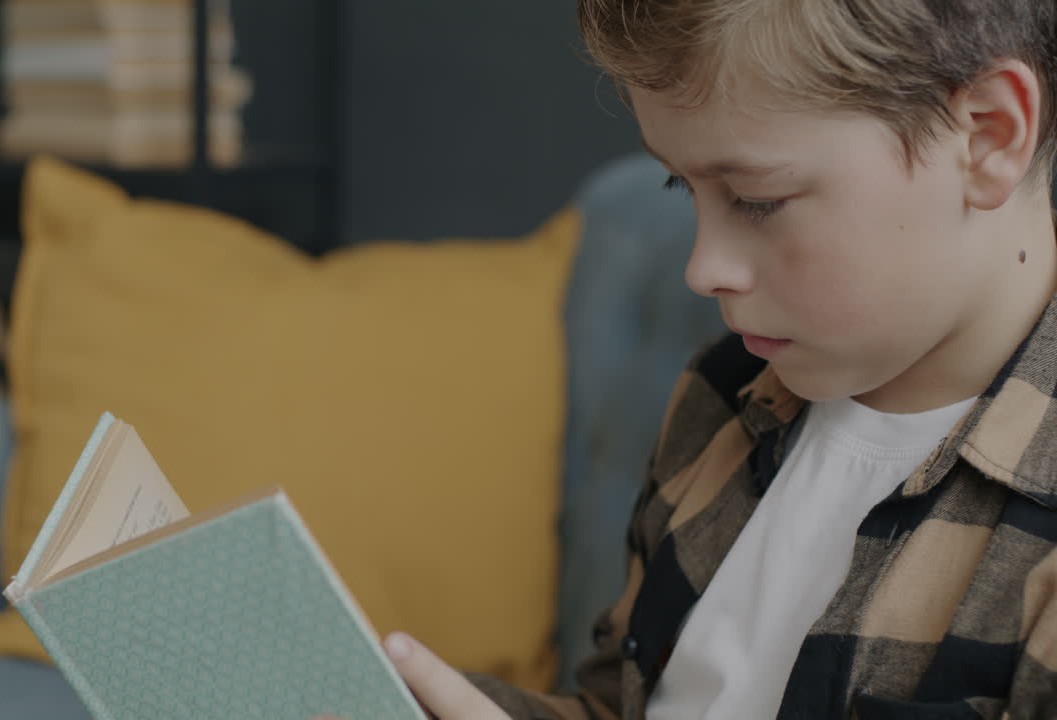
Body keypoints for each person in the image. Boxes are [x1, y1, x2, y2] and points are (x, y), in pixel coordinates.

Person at [318, 0, 1057, 717]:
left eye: (756, 197)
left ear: (988, 136)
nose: (704, 269)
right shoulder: (726, 396)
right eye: (683, 184)